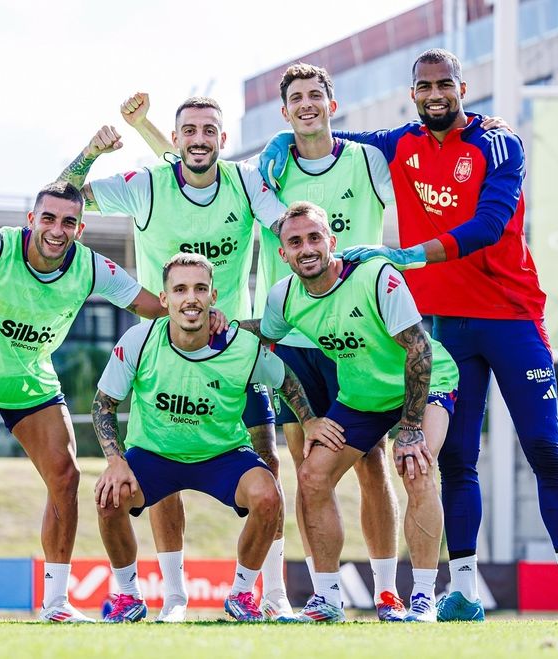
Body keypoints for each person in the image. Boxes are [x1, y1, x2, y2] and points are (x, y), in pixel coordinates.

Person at [263, 48, 558, 623]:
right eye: (424, 87)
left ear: (463, 88)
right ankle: (461, 593)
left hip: (512, 316)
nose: (435, 94)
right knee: (455, 462)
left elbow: (490, 226)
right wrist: (286, 142)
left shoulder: (499, 142)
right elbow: (332, 131)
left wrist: (405, 254)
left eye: (445, 84)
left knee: (545, 450)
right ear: (413, 93)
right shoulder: (401, 142)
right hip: (447, 324)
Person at [121, 70, 406, 620]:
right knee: (277, 464)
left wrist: (382, 259)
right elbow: (189, 158)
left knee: (363, 460)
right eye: (295, 99)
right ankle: (196, 596)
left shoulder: (307, 170)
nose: (305, 106)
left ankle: (366, 591)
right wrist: (143, 127)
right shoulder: (261, 167)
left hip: (320, 337)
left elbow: (231, 181)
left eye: (313, 97)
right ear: (283, 112)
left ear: (331, 104)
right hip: (272, 338)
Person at [0, 181, 178, 623]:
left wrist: (195, 305)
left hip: (32, 383)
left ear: (80, 229)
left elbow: (149, 305)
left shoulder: (91, 267)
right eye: (48, 218)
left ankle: (56, 604)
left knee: (66, 477)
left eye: (68, 222)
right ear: (31, 220)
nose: (57, 229)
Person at [57, 98, 293, 621]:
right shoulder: (146, 183)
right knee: (162, 458)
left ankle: (268, 593)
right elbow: (63, 198)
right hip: (166, 346)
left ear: (223, 139)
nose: (199, 138)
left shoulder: (246, 181)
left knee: (269, 464)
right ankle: (174, 598)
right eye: (189, 130)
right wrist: (92, 151)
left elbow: (287, 230)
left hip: (233, 350)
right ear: (175, 138)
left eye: (210, 129)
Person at [91, 253, 341, 623]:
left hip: (222, 456)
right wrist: (116, 460)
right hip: (155, 455)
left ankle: (243, 594)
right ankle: (129, 596)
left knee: (267, 494)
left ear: (213, 296)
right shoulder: (139, 340)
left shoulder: (241, 346)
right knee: (108, 497)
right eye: (179, 289)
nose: (190, 298)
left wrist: (309, 422)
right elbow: (103, 405)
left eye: (199, 289)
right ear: (164, 300)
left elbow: (286, 379)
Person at [241, 202, 459, 623]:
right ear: (282, 253)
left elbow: (419, 348)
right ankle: (327, 599)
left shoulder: (376, 277)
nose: (306, 248)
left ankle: (424, 600)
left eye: (314, 238)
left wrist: (411, 428)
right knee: (311, 474)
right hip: (363, 395)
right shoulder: (283, 297)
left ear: (331, 242)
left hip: (427, 382)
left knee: (415, 466)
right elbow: (263, 335)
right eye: (294, 241)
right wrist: (217, 325)